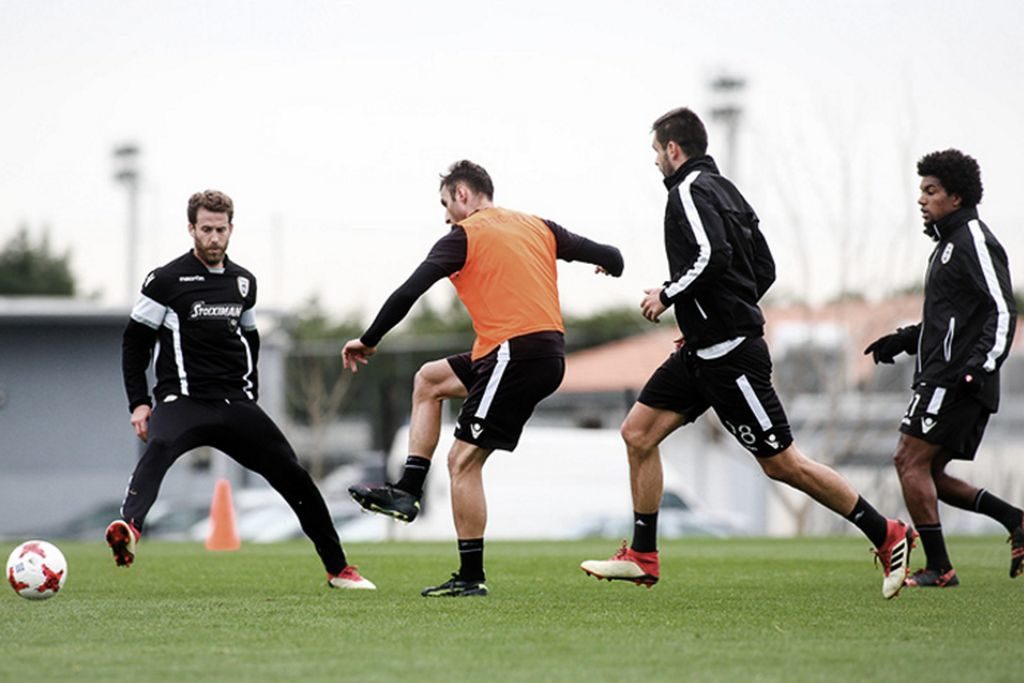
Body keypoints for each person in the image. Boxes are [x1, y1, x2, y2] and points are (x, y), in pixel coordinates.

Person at [579, 107, 914, 599]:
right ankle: (643, 556)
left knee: (783, 464)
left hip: (731, 358)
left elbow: (713, 255)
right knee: (638, 433)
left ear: (673, 149)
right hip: (702, 351)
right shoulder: (728, 191)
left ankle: (887, 533)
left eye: (656, 151)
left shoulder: (688, 190)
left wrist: (669, 295)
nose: (654, 161)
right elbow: (764, 268)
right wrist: (711, 318)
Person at [342, 160, 624, 597]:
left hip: (514, 353)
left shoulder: (465, 235)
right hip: (534, 352)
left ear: (462, 194)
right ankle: (408, 490)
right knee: (429, 380)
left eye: (445, 203)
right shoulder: (537, 226)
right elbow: (612, 256)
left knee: (462, 461)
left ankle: (470, 576)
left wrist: (369, 339)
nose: (446, 216)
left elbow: (409, 291)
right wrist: (610, 265)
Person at [107, 190, 375, 590]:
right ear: (191, 229)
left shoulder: (244, 283)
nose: (214, 237)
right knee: (159, 446)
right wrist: (140, 403)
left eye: (221, 229)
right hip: (183, 400)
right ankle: (128, 528)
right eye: (206, 229)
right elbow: (134, 344)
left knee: (295, 477)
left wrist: (250, 393)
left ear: (231, 228)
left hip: (234, 403)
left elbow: (250, 339)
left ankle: (338, 569)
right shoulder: (165, 281)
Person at [865, 149, 1022, 587]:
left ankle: (940, 568)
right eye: (921, 190)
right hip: (944, 375)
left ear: (956, 197)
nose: (922, 199)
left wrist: (978, 368)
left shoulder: (973, 240)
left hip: (955, 380)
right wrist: (904, 339)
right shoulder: (947, 247)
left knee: (907, 460)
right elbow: (951, 321)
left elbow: (1002, 311)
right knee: (929, 472)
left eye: (931, 191)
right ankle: (1016, 521)